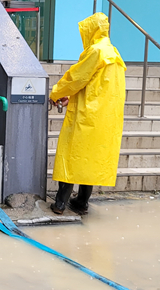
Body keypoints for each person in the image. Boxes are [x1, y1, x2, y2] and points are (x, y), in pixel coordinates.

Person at [48, 12, 126, 215]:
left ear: (92, 30)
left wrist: (57, 92)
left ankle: (60, 203)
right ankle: (82, 202)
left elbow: (76, 78)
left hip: (86, 115)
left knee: (71, 155)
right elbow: (95, 86)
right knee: (88, 159)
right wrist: (72, 98)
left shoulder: (96, 51)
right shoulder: (114, 54)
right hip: (105, 118)